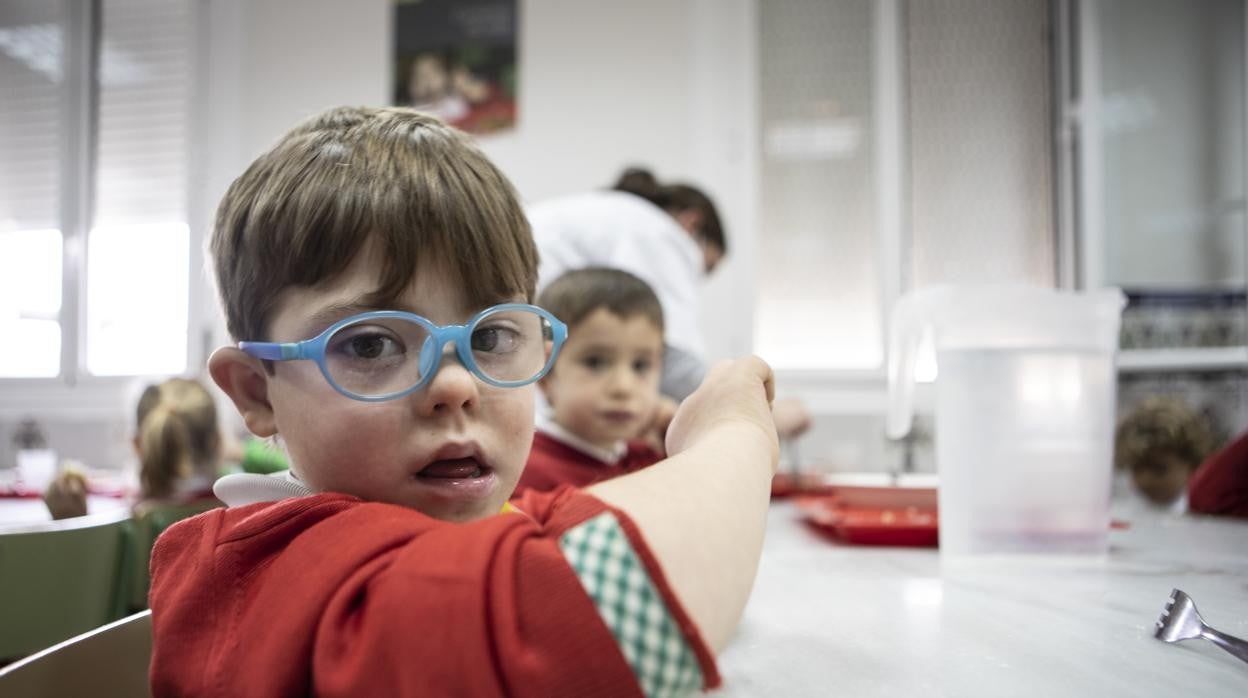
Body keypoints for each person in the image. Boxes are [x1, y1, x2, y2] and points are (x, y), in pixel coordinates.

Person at [149, 106, 780, 696]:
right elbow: (585, 623)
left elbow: (575, 523)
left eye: (490, 338)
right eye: (370, 345)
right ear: (257, 391)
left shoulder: (496, 511)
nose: (456, 385)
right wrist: (735, 431)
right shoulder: (258, 571)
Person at [528, 168, 812, 439]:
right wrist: (761, 411)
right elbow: (675, 364)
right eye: (705, 267)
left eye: (640, 367)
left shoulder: (610, 216)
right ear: (691, 223)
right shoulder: (661, 232)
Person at [516, 267, 667, 495]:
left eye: (640, 366)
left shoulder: (651, 457)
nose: (623, 387)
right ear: (545, 375)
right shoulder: (524, 474)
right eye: (595, 362)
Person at [43, 377, 223, 520]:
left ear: (136, 444)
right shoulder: (228, 513)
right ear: (217, 442)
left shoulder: (117, 516)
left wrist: (72, 517)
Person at [1113, 396, 1216, 508]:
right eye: (1137, 469)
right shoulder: (1120, 508)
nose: (1146, 480)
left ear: (1192, 465)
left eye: (1159, 469)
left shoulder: (1206, 510)